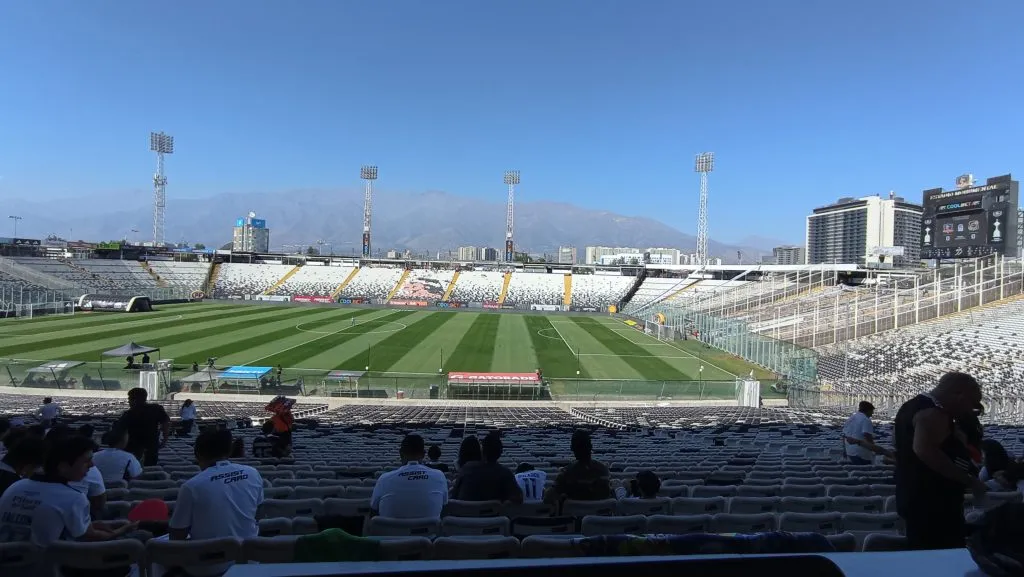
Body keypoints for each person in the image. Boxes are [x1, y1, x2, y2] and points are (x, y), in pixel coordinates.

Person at [894, 371, 987, 550]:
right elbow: (925, 450)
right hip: (933, 503)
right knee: (940, 555)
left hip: (915, 497)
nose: (971, 410)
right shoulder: (933, 413)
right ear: (960, 395)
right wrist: (970, 481)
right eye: (972, 403)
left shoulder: (911, 406)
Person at [0, 434, 138, 549]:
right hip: (46, 566)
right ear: (63, 467)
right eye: (86, 461)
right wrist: (124, 529)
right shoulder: (74, 498)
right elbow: (92, 537)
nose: (92, 465)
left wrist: (94, 525)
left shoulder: (16, 486)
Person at [169, 429, 264, 577]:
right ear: (228, 451)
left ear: (198, 455)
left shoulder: (191, 486)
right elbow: (258, 515)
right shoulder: (253, 473)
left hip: (207, 567)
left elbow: (176, 537)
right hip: (249, 559)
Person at [370, 434, 449, 518]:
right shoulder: (439, 476)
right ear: (423, 454)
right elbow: (444, 507)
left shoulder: (384, 479)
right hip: (429, 531)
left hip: (389, 530)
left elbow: (373, 511)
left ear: (400, 453)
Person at [451, 432, 523, 503]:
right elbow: (518, 497)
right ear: (500, 453)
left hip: (464, 513)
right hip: (495, 514)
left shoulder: (466, 468)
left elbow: (454, 495)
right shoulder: (506, 473)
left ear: (482, 450)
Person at [546, 429, 611, 504]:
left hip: (571, 514)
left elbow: (547, 498)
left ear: (572, 448)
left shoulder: (566, 473)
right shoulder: (604, 470)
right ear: (591, 447)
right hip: (600, 514)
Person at [117, 387, 170, 466]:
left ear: (136, 400)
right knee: (150, 471)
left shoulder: (128, 414)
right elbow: (165, 424)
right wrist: (164, 440)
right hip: (150, 447)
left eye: (130, 399)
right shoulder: (156, 409)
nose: (129, 401)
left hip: (134, 448)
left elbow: (120, 432)